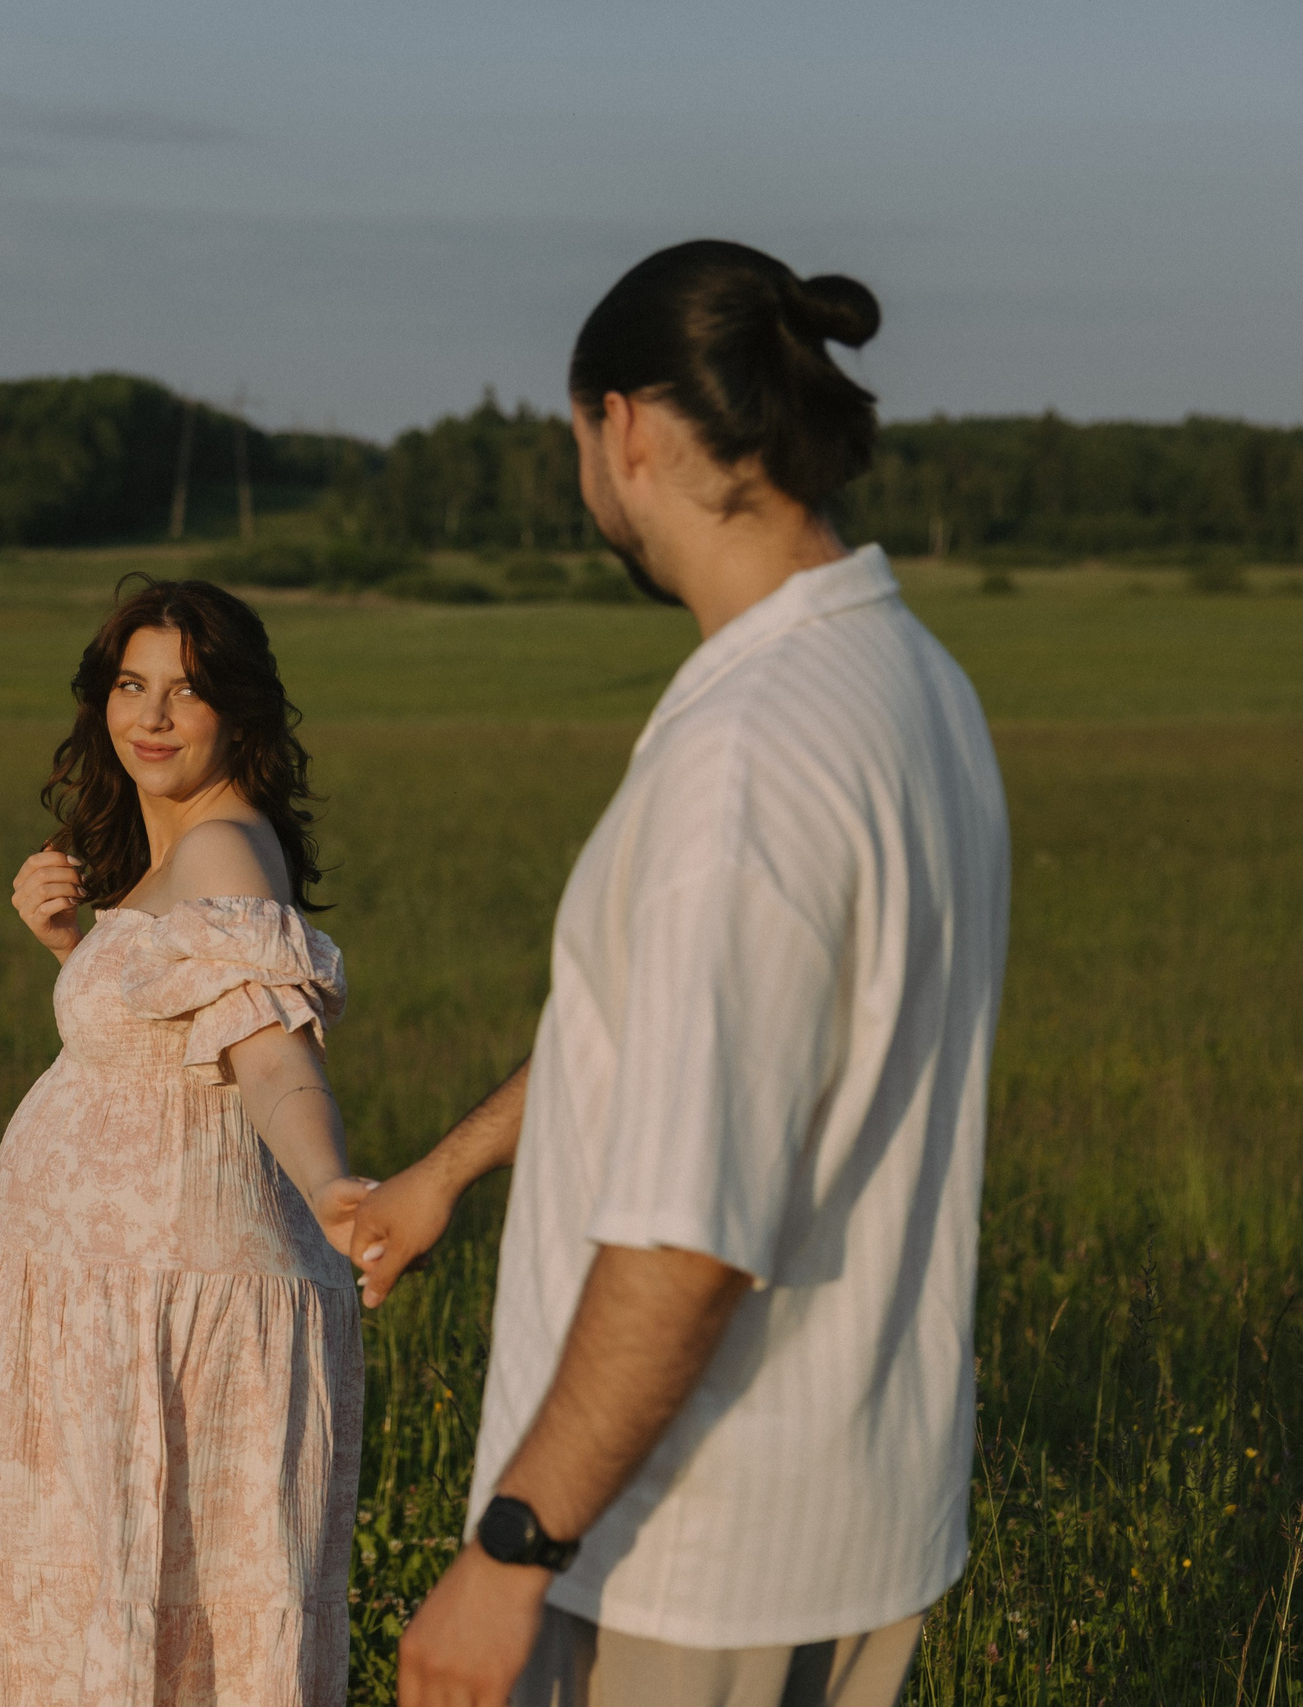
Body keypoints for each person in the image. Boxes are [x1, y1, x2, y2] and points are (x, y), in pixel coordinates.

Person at [353, 241, 1012, 1707]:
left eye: (578, 439)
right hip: (857, 1522)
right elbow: (691, 1035)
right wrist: (451, 1167)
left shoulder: (746, 756)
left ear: (626, 428)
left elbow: (689, 1236)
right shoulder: (912, 680)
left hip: (683, 1560)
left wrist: (513, 1546)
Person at [0, 577, 374, 1706]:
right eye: (133, 685)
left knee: (164, 1630)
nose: (153, 715)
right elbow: (167, 1046)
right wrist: (71, 947)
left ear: (238, 713)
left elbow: (272, 1056)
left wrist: (332, 1185)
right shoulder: (175, 853)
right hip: (105, 1306)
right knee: (119, 1613)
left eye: (187, 691)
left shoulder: (226, 851)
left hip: (170, 1321)